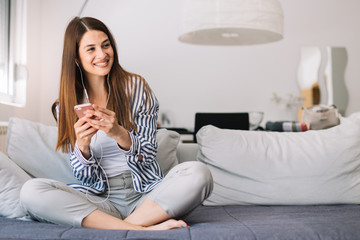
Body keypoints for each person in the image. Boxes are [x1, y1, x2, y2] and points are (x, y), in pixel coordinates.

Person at [20, 16, 213, 231]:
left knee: (199, 173)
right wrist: (82, 148)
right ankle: (141, 228)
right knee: (31, 191)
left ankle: (119, 226)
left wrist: (120, 134)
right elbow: (84, 177)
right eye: (91, 49)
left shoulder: (137, 88)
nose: (102, 55)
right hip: (101, 200)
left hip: (147, 195)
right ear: (76, 58)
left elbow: (148, 155)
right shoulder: (65, 107)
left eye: (106, 45)